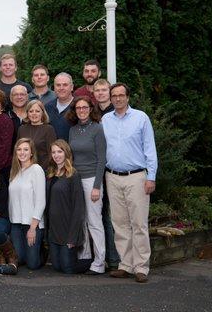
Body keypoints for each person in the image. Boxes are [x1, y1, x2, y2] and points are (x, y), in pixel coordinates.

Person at [102, 83, 158, 283]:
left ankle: (141, 266)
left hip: (136, 177)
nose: (117, 99)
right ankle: (126, 264)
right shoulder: (105, 120)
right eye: (114, 96)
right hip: (112, 176)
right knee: (120, 223)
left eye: (121, 95)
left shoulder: (141, 118)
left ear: (128, 97)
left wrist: (151, 176)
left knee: (139, 223)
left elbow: (150, 149)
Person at [67, 96, 107, 275]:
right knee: (80, 220)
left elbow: (102, 159)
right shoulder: (73, 130)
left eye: (85, 107)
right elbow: (71, 157)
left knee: (94, 221)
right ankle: (85, 258)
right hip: (76, 179)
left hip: (92, 180)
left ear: (91, 109)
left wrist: (97, 186)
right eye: (78, 108)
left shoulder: (97, 129)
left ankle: (100, 262)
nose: (81, 110)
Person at [46, 140, 91, 274]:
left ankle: (92, 262)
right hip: (54, 231)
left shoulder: (73, 174)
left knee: (67, 268)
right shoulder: (50, 173)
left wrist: (73, 237)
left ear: (66, 153)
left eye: (59, 151)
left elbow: (79, 207)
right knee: (57, 266)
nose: (56, 155)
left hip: (68, 230)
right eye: (53, 152)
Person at [92, 78, 119, 268]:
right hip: (96, 171)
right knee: (99, 216)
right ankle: (103, 257)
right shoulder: (94, 113)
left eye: (104, 90)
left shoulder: (115, 113)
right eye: (97, 90)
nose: (101, 93)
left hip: (112, 170)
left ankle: (114, 259)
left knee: (111, 216)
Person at [7, 138, 46, 270]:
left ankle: (42, 251)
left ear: (31, 153)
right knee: (20, 259)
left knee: (32, 264)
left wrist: (33, 228)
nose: (22, 152)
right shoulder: (14, 172)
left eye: (25, 149)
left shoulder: (36, 169)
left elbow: (41, 201)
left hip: (32, 223)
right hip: (16, 224)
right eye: (19, 149)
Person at [17, 100, 57, 171]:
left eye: (37, 111)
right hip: (23, 170)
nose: (34, 114)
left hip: (43, 170)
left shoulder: (48, 129)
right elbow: (17, 151)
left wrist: (40, 170)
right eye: (31, 111)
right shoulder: (21, 129)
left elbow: (51, 153)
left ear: (42, 113)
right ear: (27, 113)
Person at [45, 72, 74, 141]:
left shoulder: (78, 107)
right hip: (53, 150)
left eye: (65, 85)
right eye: (58, 85)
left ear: (72, 87)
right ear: (54, 88)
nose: (61, 88)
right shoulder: (47, 107)